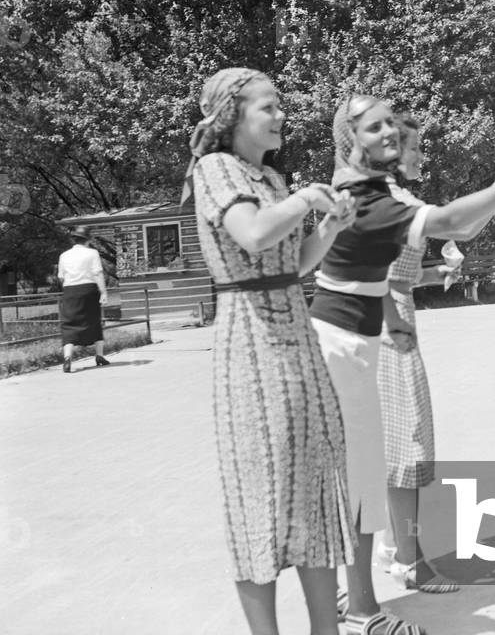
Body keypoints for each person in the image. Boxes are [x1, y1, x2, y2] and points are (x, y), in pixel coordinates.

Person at [311, 94, 495, 635]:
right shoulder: (367, 192)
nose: (403, 143)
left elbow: (449, 231)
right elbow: (449, 225)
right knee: (384, 459)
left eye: (400, 132)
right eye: (386, 131)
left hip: (377, 327)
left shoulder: (378, 192)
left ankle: (367, 590)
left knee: (383, 457)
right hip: (366, 333)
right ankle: (372, 596)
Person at [183, 66, 359, 635]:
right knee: (259, 488)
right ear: (234, 116)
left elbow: (295, 262)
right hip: (251, 341)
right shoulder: (214, 170)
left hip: (296, 334)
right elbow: (254, 235)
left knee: (314, 482)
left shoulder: (273, 180)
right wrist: (307, 197)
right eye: (269, 107)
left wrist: (328, 226)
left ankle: (324, 630)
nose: (282, 115)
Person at [375, 117, 480, 593]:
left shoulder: (388, 198)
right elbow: (458, 222)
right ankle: (410, 559)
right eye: (416, 149)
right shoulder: (395, 201)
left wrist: (438, 274)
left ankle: (392, 546)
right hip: (387, 329)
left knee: (396, 441)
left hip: (388, 316)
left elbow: (397, 275)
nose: (423, 157)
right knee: (406, 443)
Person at [57, 225, 110, 372]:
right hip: (88, 290)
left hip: (70, 291)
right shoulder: (92, 253)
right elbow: (98, 273)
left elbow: (61, 277)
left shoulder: (64, 255)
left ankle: (67, 358)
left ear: (74, 239)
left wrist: (70, 289)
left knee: (69, 323)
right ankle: (99, 356)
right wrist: (103, 292)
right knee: (94, 321)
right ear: (87, 240)